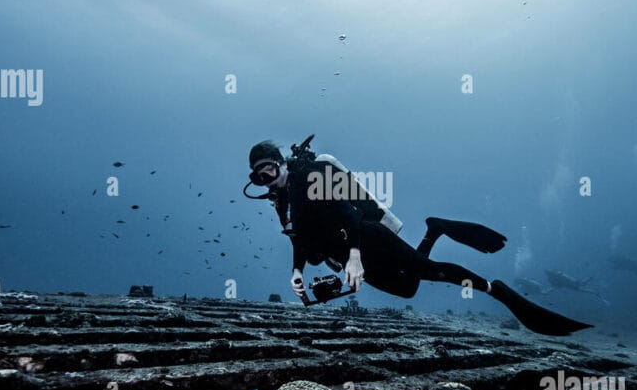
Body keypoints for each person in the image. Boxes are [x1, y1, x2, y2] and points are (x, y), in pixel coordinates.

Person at [245, 137, 591, 336]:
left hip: (367, 237)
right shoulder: (282, 203)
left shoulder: (307, 180)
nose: (267, 179)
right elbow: (298, 238)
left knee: (429, 272)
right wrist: (296, 271)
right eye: (260, 177)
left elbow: (348, 213)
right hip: (350, 254)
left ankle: (496, 291)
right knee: (407, 287)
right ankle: (435, 228)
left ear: (282, 164)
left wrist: (352, 257)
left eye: (270, 170)